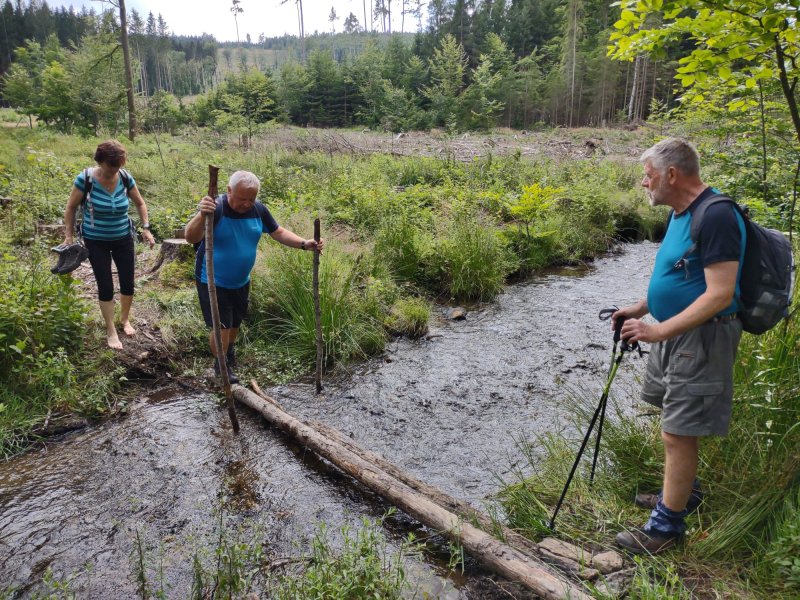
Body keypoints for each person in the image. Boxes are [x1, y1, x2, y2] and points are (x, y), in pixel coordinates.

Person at [612, 138, 745, 554]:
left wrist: (658, 331)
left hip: (703, 336)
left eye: (648, 175)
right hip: (676, 333)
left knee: (678, 430)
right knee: (672, 418)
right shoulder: (680, 213)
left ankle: (666, 529)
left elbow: (720, 294)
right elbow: (678, 273)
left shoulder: (717, 215)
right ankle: (682, 494)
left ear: (671, 174)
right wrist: (640, 306)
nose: (644, 182)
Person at [184, 170, 324, 384]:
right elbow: (190, 236)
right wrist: (202, 215)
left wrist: (304, 244)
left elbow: (278, 232)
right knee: (221, 326)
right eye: (242, 199)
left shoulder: (258, 210)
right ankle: (221, 365)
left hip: (241, 281)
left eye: (252, 198)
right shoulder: (216, 209)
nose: (247, 203)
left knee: (235, 323)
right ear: (229, 190)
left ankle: (228, 354)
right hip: (212, 280)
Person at [63, 140, 156, 350]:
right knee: (105, 285)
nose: (113, 171)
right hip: (96, 240)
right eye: (109, 167)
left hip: (123, 237)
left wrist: (146, 228)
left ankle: (124, 320)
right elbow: (70, 208)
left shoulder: (125, 178)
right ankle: (110, 329)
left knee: (128, 282)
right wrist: (68, 236)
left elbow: (140, 203)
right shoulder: (85, 179)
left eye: (117, 167)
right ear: (100, 162)